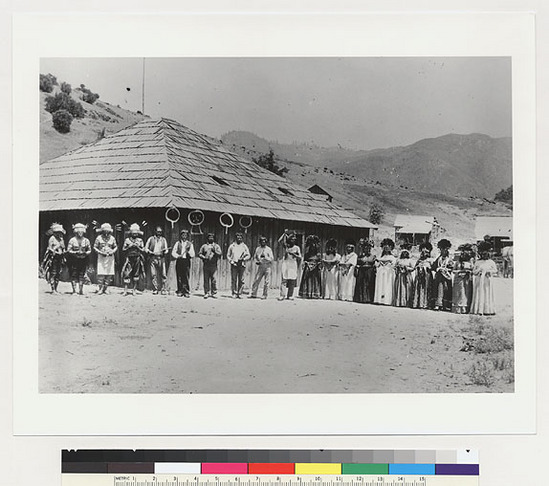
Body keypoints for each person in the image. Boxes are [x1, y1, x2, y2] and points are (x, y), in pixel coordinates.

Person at [470, 241, 498, 315]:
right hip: (479, 281)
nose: (485, 255)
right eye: (483, 254)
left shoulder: (491, 262)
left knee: (487, 293)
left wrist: (489, 271)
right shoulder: (478, 262)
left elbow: (495, 270)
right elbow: (474, 271)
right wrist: (478, 271)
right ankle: (479, 310)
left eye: (486, 254)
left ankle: (488, 310)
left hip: (487, 280)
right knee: (479, 293)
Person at [66, 223, 92, 295]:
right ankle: (74, 290)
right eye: (78, 232)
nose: (80, 233)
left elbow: (89, 250)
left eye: (81, 232)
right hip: (74, 260)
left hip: (83, 260)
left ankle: (81, 290)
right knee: (73, 275)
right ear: (76, 232)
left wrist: (85, 253)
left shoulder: (86, 240)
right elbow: (68, 250)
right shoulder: (72, 240)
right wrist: (75, 252)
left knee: (82, 275)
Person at [93, 223, 118, 295]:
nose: (106, 232)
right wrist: (100, 252)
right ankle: (100, 288)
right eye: (105, 231)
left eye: (108, 231)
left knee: (109, 273)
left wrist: (112, 251)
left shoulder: (112, 238)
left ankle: (106, 288)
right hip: (101, 257)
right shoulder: (99, 238)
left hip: (110, 257)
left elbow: (115, 247)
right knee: (101, 273)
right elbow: (95, 247)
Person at [121, 223, 145, 296]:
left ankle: (134, 290)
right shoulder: (127, 240)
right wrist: (129, 246)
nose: (134, 235)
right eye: (133, 233)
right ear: (131, 233)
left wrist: (138, 247)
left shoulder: (140, 240)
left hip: (137, 258)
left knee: (136, 273)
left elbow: (143, 249)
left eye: (136, 233)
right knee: (127, 273)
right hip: (129, 258)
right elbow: (123, 249)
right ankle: (125, 290)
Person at [145, 226, 169, 295]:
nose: (159, 233)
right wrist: (149, 252)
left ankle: (163, 289)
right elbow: (145, 248)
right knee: (153, 274)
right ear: (155, 231)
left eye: (160, 232)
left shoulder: (163, 240)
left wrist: (165, 251)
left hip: (161, 258)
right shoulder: (151, 239)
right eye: (158, 232)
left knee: (163, 274)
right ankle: (155, 289)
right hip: (153, 257)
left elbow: (166, 249)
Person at [432, 238, 454, 311]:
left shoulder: (449, 259)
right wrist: (438, 269)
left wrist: (446, 270)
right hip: (439, 277)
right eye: (441, 249)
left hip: (446, 277)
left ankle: (445, 305)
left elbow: (452, 268)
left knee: (446, 290)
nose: (443, 251)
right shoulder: (438, 258)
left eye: (444, 249)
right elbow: (434, 266)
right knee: (438, 289)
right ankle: (438, 304)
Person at [43, 223, 66, 294]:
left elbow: (63, 247)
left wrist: (64, 252)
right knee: (53, 272)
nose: (59, 234)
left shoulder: (61, 239)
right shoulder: (52, 238)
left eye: (60, 232)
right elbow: (49, 248)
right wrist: (55, 252)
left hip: (60, 258)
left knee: (58, 273)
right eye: (57, 232)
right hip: (53, 258)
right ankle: (53, 289)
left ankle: (56, 289)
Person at [171, 229, 195, 297]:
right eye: (183, 235)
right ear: (181, 235)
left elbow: (193, 254)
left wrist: (188, 252)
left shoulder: (190, 244)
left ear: (187, 236)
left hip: (186, 261)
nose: (184, 236)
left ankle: (186, 291)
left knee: (186, 276)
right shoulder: (177, 243)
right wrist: (178, 256)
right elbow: (173, 252)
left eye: (185, 235)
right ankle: (180, 291)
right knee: (179, 276)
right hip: (179, 261)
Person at [198, 233, 222, 299]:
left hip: (213, 265)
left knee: (214, 279)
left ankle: (214, 293)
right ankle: (206, 293)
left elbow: (220, 254)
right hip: (206, 265)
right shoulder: (204, 246)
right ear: (207, 238)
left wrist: (215, 251)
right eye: (209, 237)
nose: (211, 238)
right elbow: (199, 254)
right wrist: (203, 257)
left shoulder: (216, 246)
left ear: (214, 238)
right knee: (206, 280)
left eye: (212, 237)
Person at [452, 243, 474, 313]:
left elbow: (473, 270)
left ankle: (465, 308)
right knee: (459, 294)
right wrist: (460, 271)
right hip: (458, 280)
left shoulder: (471, 262)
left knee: (466, 293)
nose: (463, 253)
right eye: (463, 252)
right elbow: (453, 270)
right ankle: (458, 308)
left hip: (467, 280)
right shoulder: (458, 262)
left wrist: (468, 271)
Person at [278, 232, 301, 301]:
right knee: (284, 279)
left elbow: (300, 257)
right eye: (291, 239)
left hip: (293, 264)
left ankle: (290, 295)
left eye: (294, 239)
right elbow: (279, 241)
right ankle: (282, 295)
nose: (293, 241)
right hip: (286, 263)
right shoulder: (287, 246)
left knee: (292, 279)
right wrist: (284, 234)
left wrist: (294, 254)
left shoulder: (297, 248)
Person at [227, 232, 250, 298]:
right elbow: (228, 255)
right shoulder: (232, 246)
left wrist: (244, 259)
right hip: (234, 265)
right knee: (234, 280)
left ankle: (240, 293)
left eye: (240, 238)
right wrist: (231, 261)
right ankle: (234, 293)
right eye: (238, 238)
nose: (239, 239)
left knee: (241, 280)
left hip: (242, 265)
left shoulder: (244, 246)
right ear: (235, 238)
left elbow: (248, 255)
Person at [298, 235, 322, 299]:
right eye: (311, 247)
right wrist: (306, 263)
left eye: (314, 247)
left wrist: (317, 264)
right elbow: (304, 260)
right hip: (308, 268)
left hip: (315, 269)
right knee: (307, 280)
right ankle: (307, 293)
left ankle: (315, 294)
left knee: (315, 281)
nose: (312, 248)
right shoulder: (307, 254)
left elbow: (320, 262)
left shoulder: (318, 255)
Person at [374, 238, 396, 305]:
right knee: (380, 285)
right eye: (385, 245)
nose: (386, 247)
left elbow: (393, 265)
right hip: (380, 273)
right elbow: (376, 264)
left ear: (391, 247)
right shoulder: (380, 256)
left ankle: (387, 300)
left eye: (388, 246)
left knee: (387, 285)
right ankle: (379, 299)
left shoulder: (392, 257)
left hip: (388, 273)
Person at [353, 239, 376, 304]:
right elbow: (357, 264)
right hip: (362, 271)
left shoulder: (373, 256)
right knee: (361, 284)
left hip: (369, 271)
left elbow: (374, 264)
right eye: (365, 248)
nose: (367, 250)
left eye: (368, 248)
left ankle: (369, 299)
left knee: (369, 284)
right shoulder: (360, 256)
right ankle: (361, 298)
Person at [412, 242, 434, 309]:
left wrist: (427, 268)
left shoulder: (430, 260)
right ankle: (418, 303)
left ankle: (425, 304)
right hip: (419, 276)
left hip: (427, 276)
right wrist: (418, 267)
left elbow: (433, 268)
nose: (424, 252)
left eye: (426, 250)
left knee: (426, 288)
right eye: (423, 250)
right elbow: (414, 267)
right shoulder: (419, 260)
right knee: (418, 288)